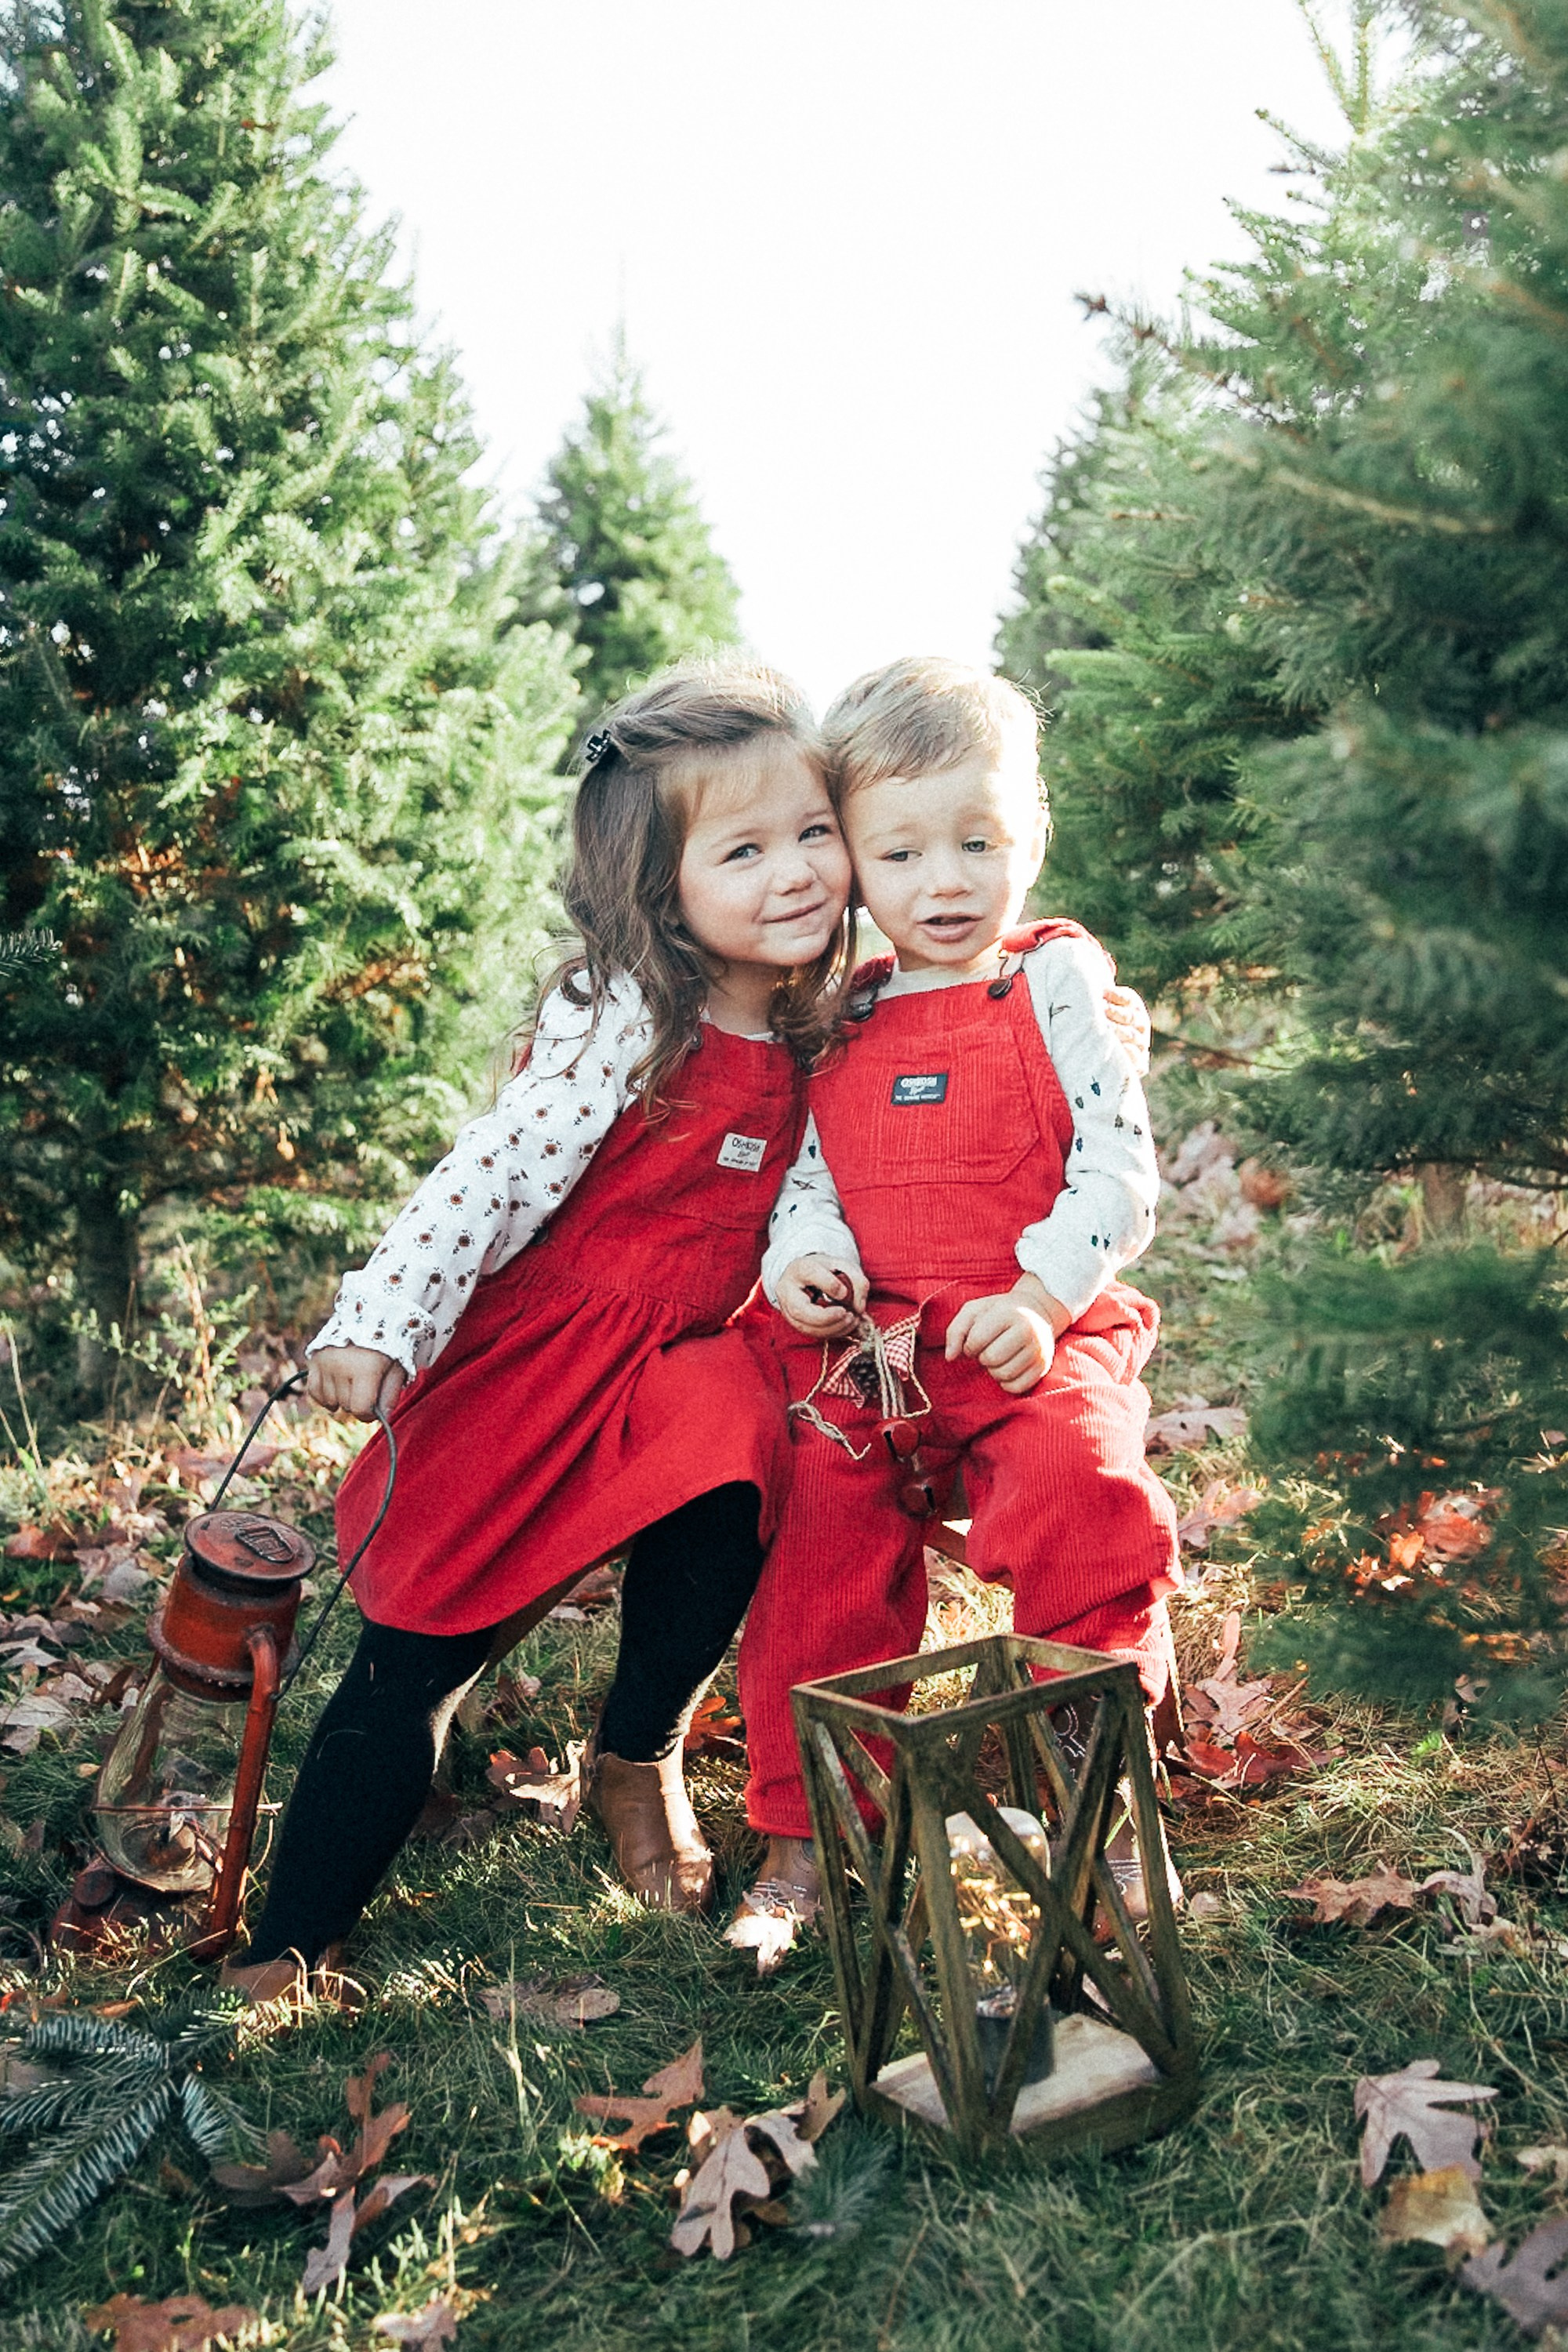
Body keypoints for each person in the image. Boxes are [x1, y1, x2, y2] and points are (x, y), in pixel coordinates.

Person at [222, 660, 855, 1999]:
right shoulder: (630, 1015)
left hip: (676, 1359)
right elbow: (491, 1173)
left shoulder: (824, 1016)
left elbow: (964, 976)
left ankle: (642, 1749)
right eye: (744, 850)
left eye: (814, 831)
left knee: (738, 1442)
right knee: (420, 1653)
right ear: (661, 891)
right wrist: (381, 1319)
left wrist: (1057, 991)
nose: (797, 871)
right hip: (542, 1356)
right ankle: (292, 1942)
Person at [728, 656, 1181, 1963]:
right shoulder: (840, 1012)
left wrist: (1041, 1297)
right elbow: (808, 1176)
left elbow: (1118, 1169)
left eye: (979, 843)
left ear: (1030, 832)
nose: (946, 884)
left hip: (1030, 1333)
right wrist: (803, 1258)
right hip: (878, 1352)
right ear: (855, 865)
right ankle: (812, 1827)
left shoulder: (1051, 984)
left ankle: (1097, 1792)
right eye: (905, 852)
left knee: (1079, 1481)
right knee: (814, 1519)